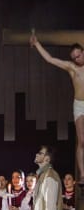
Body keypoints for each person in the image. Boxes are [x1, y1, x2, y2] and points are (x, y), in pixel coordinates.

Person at [30, 34, 84, 184]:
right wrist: (37, 43)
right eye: (74, 57)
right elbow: (50, 59)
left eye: (79, 55)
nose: (77, 59)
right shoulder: (72, 68)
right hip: (79, 104)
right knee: (82, 141)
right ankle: (82, 174)